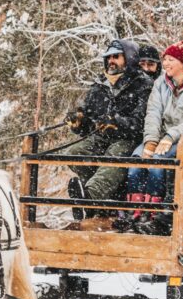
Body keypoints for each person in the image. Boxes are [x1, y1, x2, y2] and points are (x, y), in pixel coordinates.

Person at [120, 38, 183, 234]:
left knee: (159, 164)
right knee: (137, 162)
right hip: (160, 135)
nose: (166, 64)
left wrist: (170, 136)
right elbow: (153, 112)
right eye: (165, 59)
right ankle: (134, 212)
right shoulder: (161, 83)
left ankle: (154, 215)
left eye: (171, 60)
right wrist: (151, 141)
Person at [64, 38, 153, 219]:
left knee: (114, 155)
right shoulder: (100, 85)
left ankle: (90, 200)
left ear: (129, 58)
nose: (111, 61)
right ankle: (103, 196)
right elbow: (89, 122)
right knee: (74, 152)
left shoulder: (143, 84)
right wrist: (79, 123)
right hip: (102, 137)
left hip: (129, 139)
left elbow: (141, 122)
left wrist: (117, 123)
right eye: (108, 57)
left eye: (116, 57)